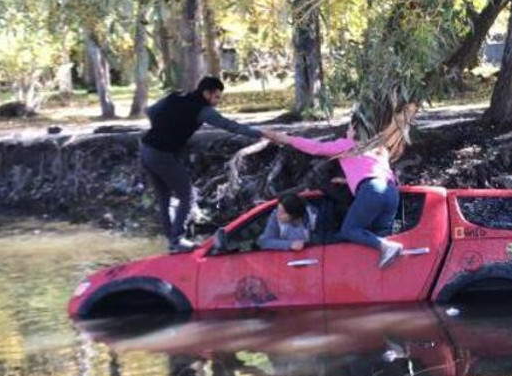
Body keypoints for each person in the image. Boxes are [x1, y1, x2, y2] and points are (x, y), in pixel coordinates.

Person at [261, 105, 415, 268]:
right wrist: (348, 181)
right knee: (378, 237)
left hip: (372, 190)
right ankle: (380, 265)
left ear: (354, 130)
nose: (347, 131)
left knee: (350, 230)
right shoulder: (379, 149)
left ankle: (387, 248)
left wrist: (285, 138)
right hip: (391, 192)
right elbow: (373, 172)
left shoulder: (348, 144)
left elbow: (315, 148)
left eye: (349, 128)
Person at [140, 76, 263, 252]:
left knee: (164, 198)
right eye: (216, 97)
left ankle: (172, 241)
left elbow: (151, 111)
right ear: (206, 93)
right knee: (188, 196)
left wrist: (165, 128)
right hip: (162, 155)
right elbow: (229, 125)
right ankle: (176, 240)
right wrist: (260, 133)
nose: (217, 101)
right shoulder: (203, 110)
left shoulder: (175, 97)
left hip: (146, 149)